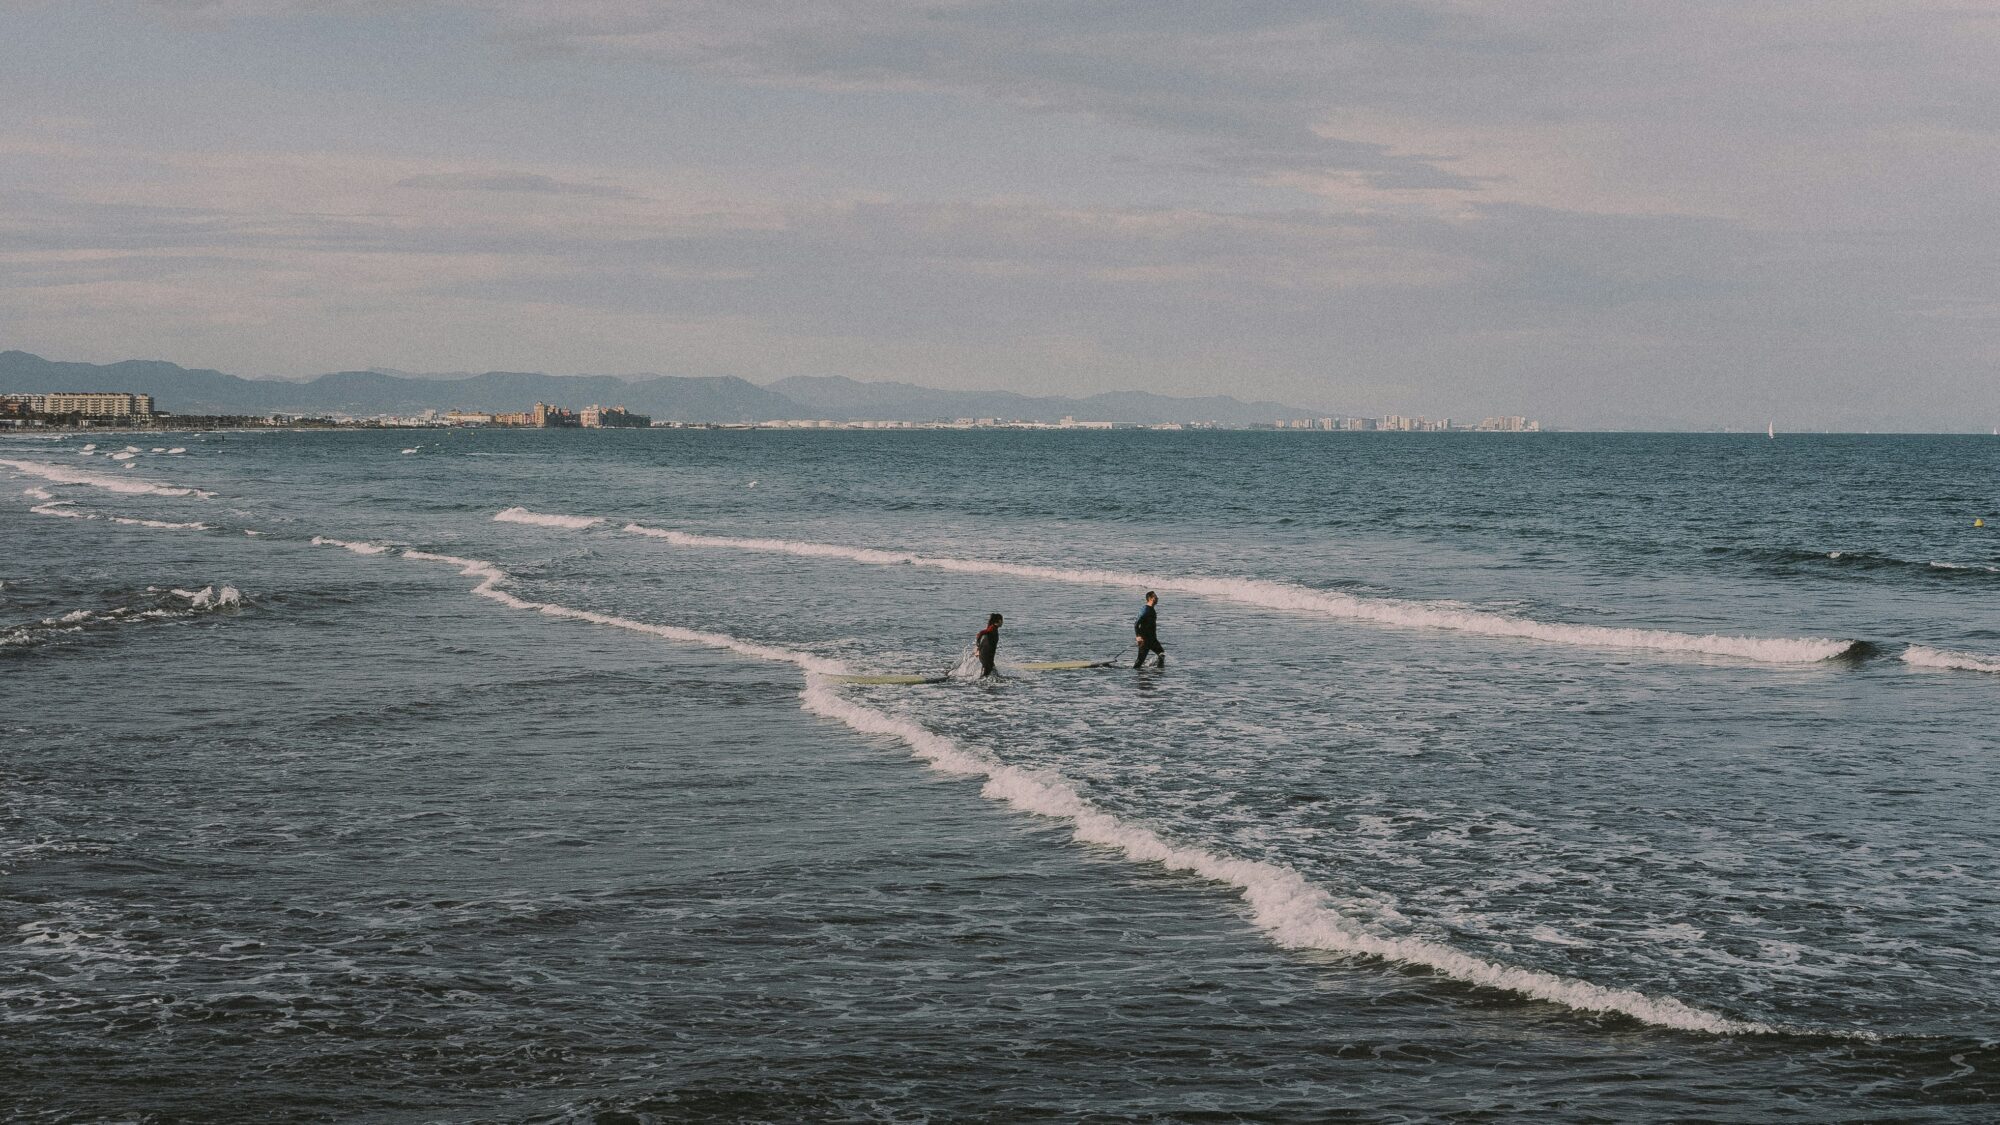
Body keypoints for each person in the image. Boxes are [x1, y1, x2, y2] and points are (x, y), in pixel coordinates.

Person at [1133, 591, 1165, 669]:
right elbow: (1136, 623)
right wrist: (1138, 636)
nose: (1157, 598)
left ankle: (1157, 671)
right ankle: (1134, 673)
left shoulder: (1151, 609)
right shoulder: (1145, 609)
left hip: (1152, 639)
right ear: (1150, 598)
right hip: (1145, 639)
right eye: (1155, 597)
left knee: (1161, 654)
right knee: (1140, 660)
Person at [975, 612, 1003, 677]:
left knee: (995, 673)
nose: (1002, 623)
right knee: (986, 675)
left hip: (986, 656)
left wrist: (978, 648)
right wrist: (978, 643)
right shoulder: (992, 628)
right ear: (999, 621)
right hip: (986, 656)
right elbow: (981, 632)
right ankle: (978, 685)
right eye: (1002, 620)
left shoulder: (992, 627)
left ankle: (980, 685)